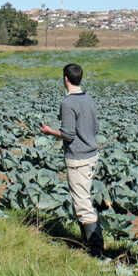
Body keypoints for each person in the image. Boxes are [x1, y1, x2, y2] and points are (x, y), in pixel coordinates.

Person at [40, 63, 102, 256]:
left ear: (65, 79)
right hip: (92, 155)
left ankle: (96, 250)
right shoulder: (89, 99)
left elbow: (67, 135)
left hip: (78, 158)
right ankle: (86, 243)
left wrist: (49, 131)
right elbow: (96, 128)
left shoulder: (68, 103)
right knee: (84, 197)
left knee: (82, 202)